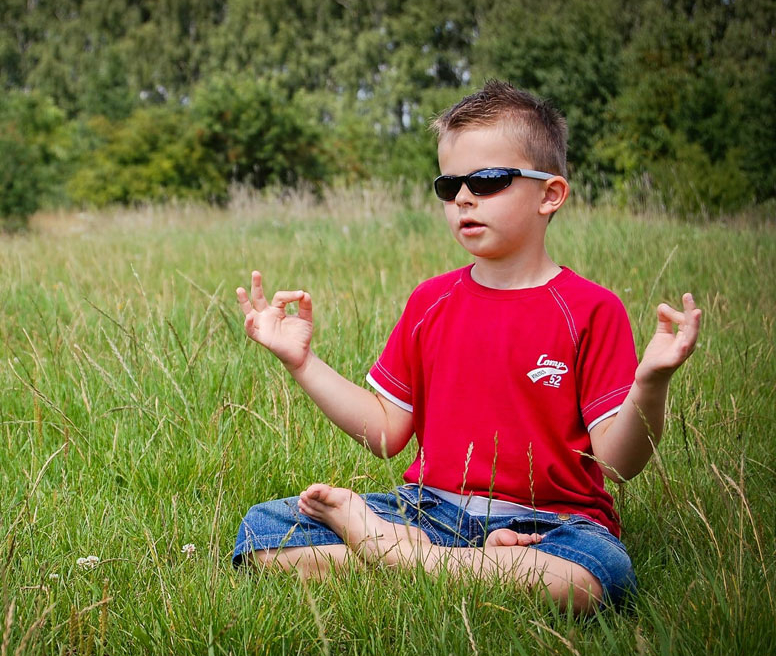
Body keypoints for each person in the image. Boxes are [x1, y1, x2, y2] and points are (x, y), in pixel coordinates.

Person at [231, 80, 701, 613]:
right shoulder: (431, 302)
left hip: (553, 524)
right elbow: (388, 432)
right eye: (449, 184)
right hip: (430, 511)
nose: (463, 198)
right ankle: (444, 561)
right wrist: (303, 362)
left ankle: (398, 558)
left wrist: (651, 382)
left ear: (551, 194)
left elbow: (616, 464)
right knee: (264, 531)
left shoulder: (590, 309)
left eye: (489, 180)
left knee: (593, 579)